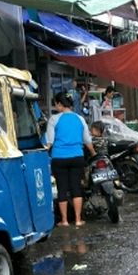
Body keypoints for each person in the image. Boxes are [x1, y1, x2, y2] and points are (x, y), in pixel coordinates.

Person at [46, 92, 92, 227]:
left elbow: (49, 141)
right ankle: (78, 219)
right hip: (77, 157)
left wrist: (44, 151)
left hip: (59, 158)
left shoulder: (54, 119)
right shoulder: (80, 119)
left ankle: (64, 221)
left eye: (56, 104)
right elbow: (87, 140)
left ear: (60, 104)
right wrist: (93, 152)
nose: (55, 107)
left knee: (62, 189)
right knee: (76, 187)